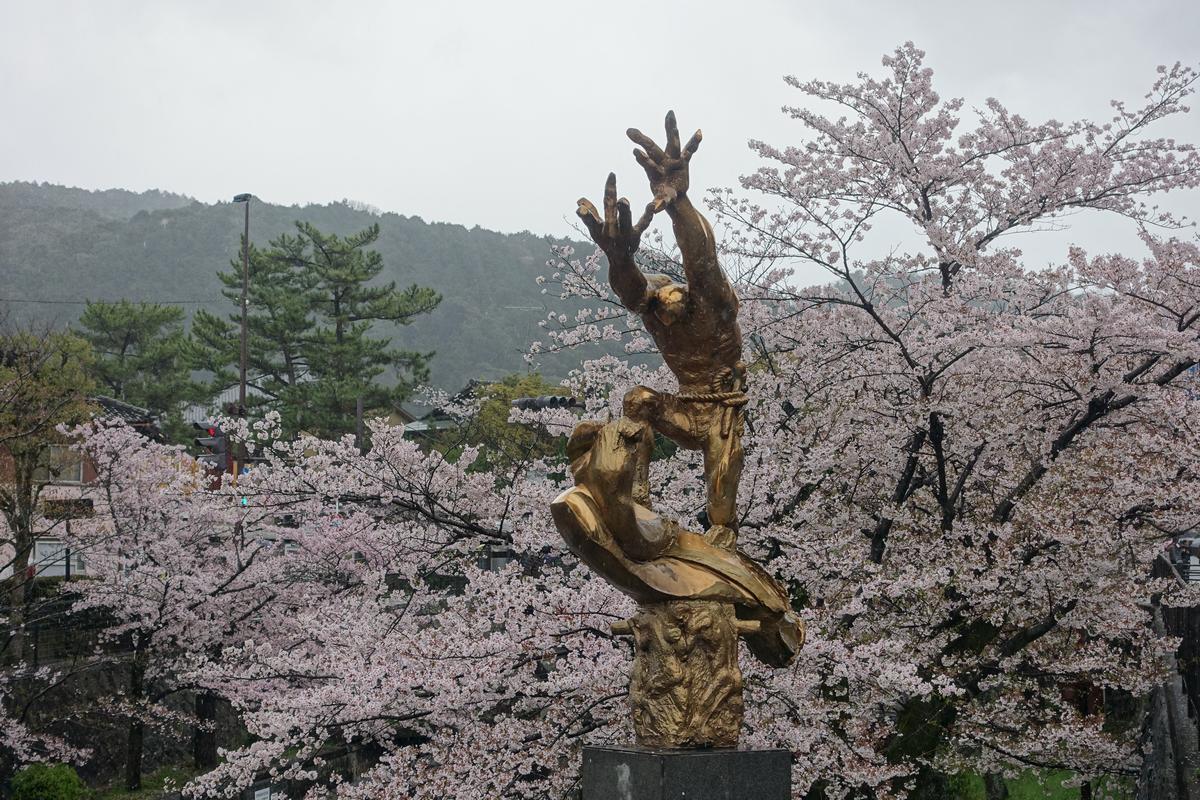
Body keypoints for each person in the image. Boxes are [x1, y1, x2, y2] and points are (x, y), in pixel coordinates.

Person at [576, 111, 745, 549]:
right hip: (687, 407)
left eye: (674, 305)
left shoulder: (712, 305)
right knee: (638, 400)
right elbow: (632, 290)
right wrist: (619, 257)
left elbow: (702, 257)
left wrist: (677, 202)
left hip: (722, 413)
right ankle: (637, 497)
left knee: (722, 496)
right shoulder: (653, 306)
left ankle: (721, 537)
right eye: (659, 308)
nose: (665, 316)